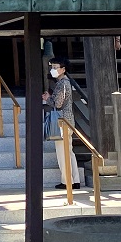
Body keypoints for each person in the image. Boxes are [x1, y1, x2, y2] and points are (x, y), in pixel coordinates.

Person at [45, 57, 84, 189]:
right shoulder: (65, 83)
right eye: (53, 67)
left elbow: (58, 104)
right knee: (69, 151)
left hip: (62, 121)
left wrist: (48, 98)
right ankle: (75, 179)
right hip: (68, 120)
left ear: (63, 69)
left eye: (56, 67)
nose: (53, 70)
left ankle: (67, 181)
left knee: (62, 152)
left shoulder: (62, 84)